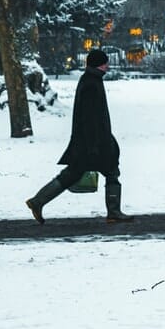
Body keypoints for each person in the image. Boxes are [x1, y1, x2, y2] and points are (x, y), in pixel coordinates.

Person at [26, 48, 133, 224]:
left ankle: (38, 201)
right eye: (104, 63)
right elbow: (91, 117)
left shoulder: (90, 80)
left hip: (90, 141)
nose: (107, 66)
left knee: (72, 174)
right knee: (111, 172)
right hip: (95, 142)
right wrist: (95, 144)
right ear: (98, 64)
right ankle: (113, 212)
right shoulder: (92, 83)